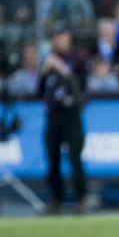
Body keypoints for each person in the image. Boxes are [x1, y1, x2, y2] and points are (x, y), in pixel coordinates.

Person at [39, 24, 89, 214]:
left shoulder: (78, 60)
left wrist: (60, 67)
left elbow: (80, 88)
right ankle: (56, 199)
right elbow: (40, 91)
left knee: (75, 157)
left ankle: (81, 199)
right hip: (53, 114)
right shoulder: (49, 61)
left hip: (71, 113)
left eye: (62, 36)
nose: (58, 40)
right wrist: (44, 73)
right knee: (52, 157)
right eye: (56, 37)